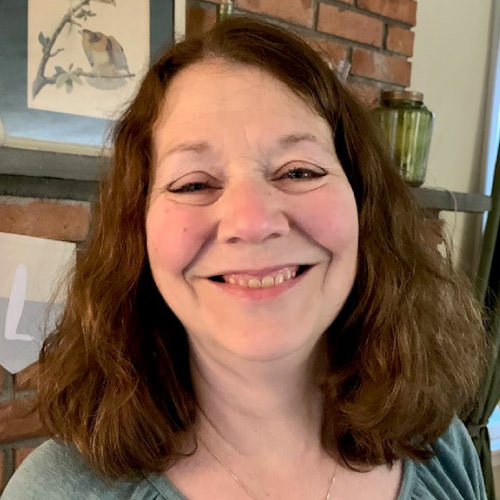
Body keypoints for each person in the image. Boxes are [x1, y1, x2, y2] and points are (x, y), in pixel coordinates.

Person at [1, 15, 487, 500]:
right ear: (137, 230)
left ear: (363, 206)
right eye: (193, 183)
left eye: (298, 171)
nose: (252, 221)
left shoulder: (442, 448)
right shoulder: (56, 491)